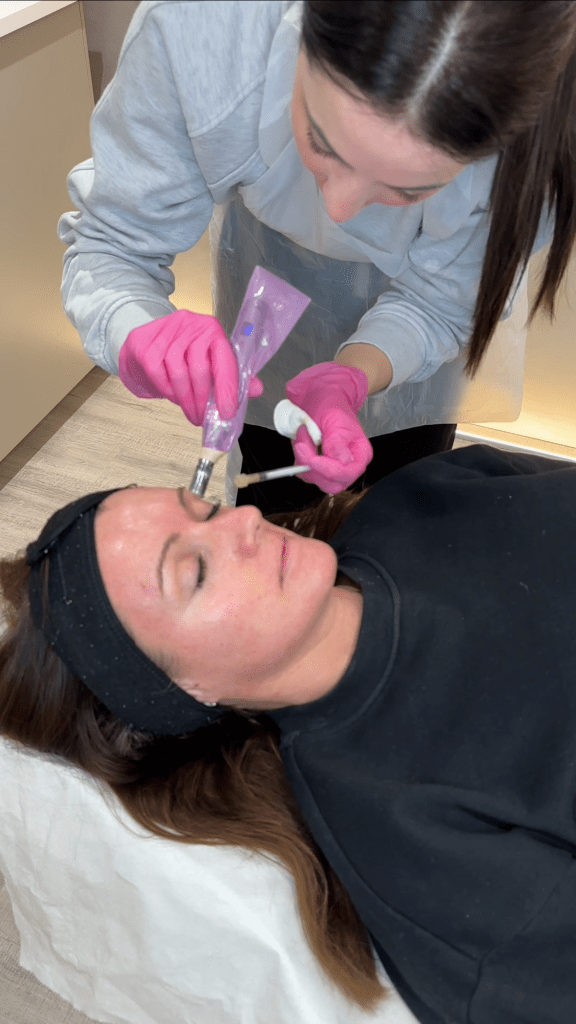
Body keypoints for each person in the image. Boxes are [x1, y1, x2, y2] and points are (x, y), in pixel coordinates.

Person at [1, 442, 576, 1023]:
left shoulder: (419, 495)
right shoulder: (408, 835)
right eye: (195, 572)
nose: (246, 520)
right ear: (184, 694)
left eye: (205, 509)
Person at [58, 1, 576, 513]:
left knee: (394, 501)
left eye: (409, 191)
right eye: (320, 142)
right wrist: (135, 327)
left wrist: (352, 374)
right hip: (265, 263)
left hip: (423, 362)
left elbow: (442, 300)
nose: (339, 209)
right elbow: (114, 241)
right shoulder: (206, 28)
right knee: (272, 475)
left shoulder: (545, 140)